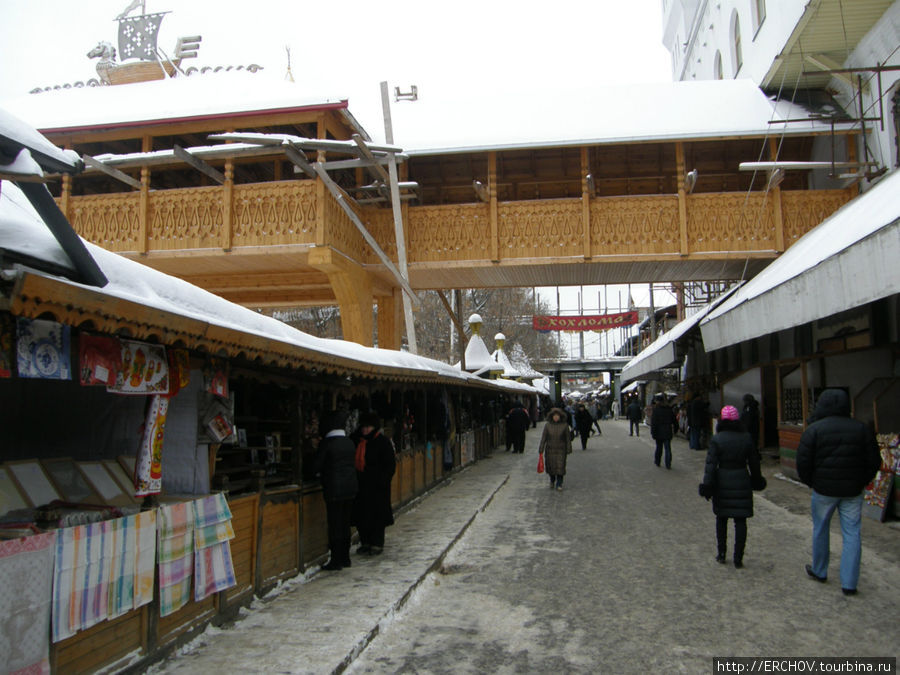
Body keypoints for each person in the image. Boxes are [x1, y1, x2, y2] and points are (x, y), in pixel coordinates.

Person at [796, 389, 881, 596]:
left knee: (821, 528)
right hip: (852, 491)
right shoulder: (861, 429)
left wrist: (813, 483)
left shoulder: (814, 430)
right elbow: (874, 461)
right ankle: (850, 583)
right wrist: (861, 481)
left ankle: (820, 570)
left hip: (823, 490)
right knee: (852, 533)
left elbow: (803, 463)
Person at [698, 405, 765, 568]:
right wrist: (756, 479)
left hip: (722, 480)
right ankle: (738, 558)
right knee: (740, 520)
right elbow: (754, 463)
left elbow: (711, 464)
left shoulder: (717, 439)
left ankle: (721, 553)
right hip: (742, 478)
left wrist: (707, 485)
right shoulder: (746, 438)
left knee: (721, 519)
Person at [314, 410, 358, 571]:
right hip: (350, 488)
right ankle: (345, 558)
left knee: (335, 525)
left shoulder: (327, 444)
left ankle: (336, 559)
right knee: (345, 524)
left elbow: (316, 465)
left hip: (334, 490)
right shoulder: (349, 442)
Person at [351, 411, 397, 556]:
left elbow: (390, 465)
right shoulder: (355, 440)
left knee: (377, 517)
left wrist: (383, 480)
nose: (365, 430)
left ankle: (377, 543)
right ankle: (365, 542)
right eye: (364, 427)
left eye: (368, 427)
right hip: (360, 486)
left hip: (377, 487)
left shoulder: (382, 442)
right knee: (361, 516)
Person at [539, 407, 572, 490]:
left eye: (557, 416)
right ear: (551, 416)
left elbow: (568, 438)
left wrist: (569, 448)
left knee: (560, 467)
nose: (556, 417)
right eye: (554, 416)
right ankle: (552, 480)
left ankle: (559, 483)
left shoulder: (564, 426)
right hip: (550, 449)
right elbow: (544, 437)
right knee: (551, 467)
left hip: (561, 449)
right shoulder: (548, 425)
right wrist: (541, 448)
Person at [650, 394, 677, 469]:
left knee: (659, 447)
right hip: (667, 431)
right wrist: (675, 429)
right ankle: (668, 463)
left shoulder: (656, 410)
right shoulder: (669, 409)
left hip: (659, 431)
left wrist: (653, 432)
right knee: (667, 448)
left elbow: (654, 423)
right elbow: (674, 421)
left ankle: (657, 461)